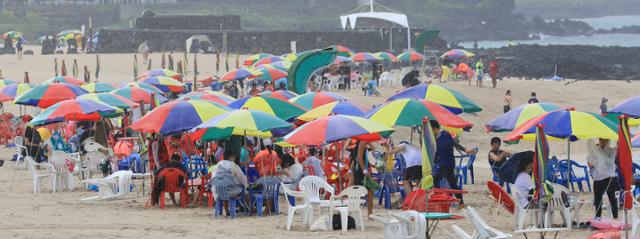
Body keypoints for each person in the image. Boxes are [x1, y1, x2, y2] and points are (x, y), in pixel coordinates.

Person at [431, 120, 476, 205]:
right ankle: (460, 202)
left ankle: (438, 199)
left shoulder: (445, 135)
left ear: (433, 128)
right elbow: (436, 152)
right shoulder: (434, 138)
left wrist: (465, 150)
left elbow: (454, 143)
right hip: (442, 163)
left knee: (436, 179)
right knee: (452, 183)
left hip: (447, 163)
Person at [587, 138, 619, 219]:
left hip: (610, 178)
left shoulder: (611, 151)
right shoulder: (596, 151)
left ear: (608, 141)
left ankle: (615, 216)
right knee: (598, 199)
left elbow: (611, 162)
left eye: (604, 140)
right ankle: (598, 217)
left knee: (612, 198)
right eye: (600, 140)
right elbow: (591, 163)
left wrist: (601, 156)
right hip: (598, 179)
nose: (602, 142)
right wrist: (592, 161)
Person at [349, 140, 375, 216]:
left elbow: (357, 158)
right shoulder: (363, 142)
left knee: (355, 192)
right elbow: (359, 157)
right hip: (361, 171)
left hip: (359, 170)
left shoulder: (361, 143)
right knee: (370, 193)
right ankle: (370, 214)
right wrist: (365, 170)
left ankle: (351, 212)